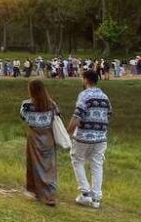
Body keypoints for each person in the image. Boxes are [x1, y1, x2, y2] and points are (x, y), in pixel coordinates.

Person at [68, 70, 112, 209]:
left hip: (84, 136)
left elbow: (77, 115)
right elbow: (109, 113)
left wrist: (68, 131)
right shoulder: (104, 96)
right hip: (100, 137)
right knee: (97, 164)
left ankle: (85, 193)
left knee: (77, 159)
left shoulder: (84, 95)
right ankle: (96, 198)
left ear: (86, 79)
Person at [19, 79, 60, 206]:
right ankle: (49, 193)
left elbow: (23, 117)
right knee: (49, 166)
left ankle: (37, 190)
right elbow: (57, 115)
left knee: (34, 165)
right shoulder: (51, 104)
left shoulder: (27, 104)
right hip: (48, 136)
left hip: (34, 137)